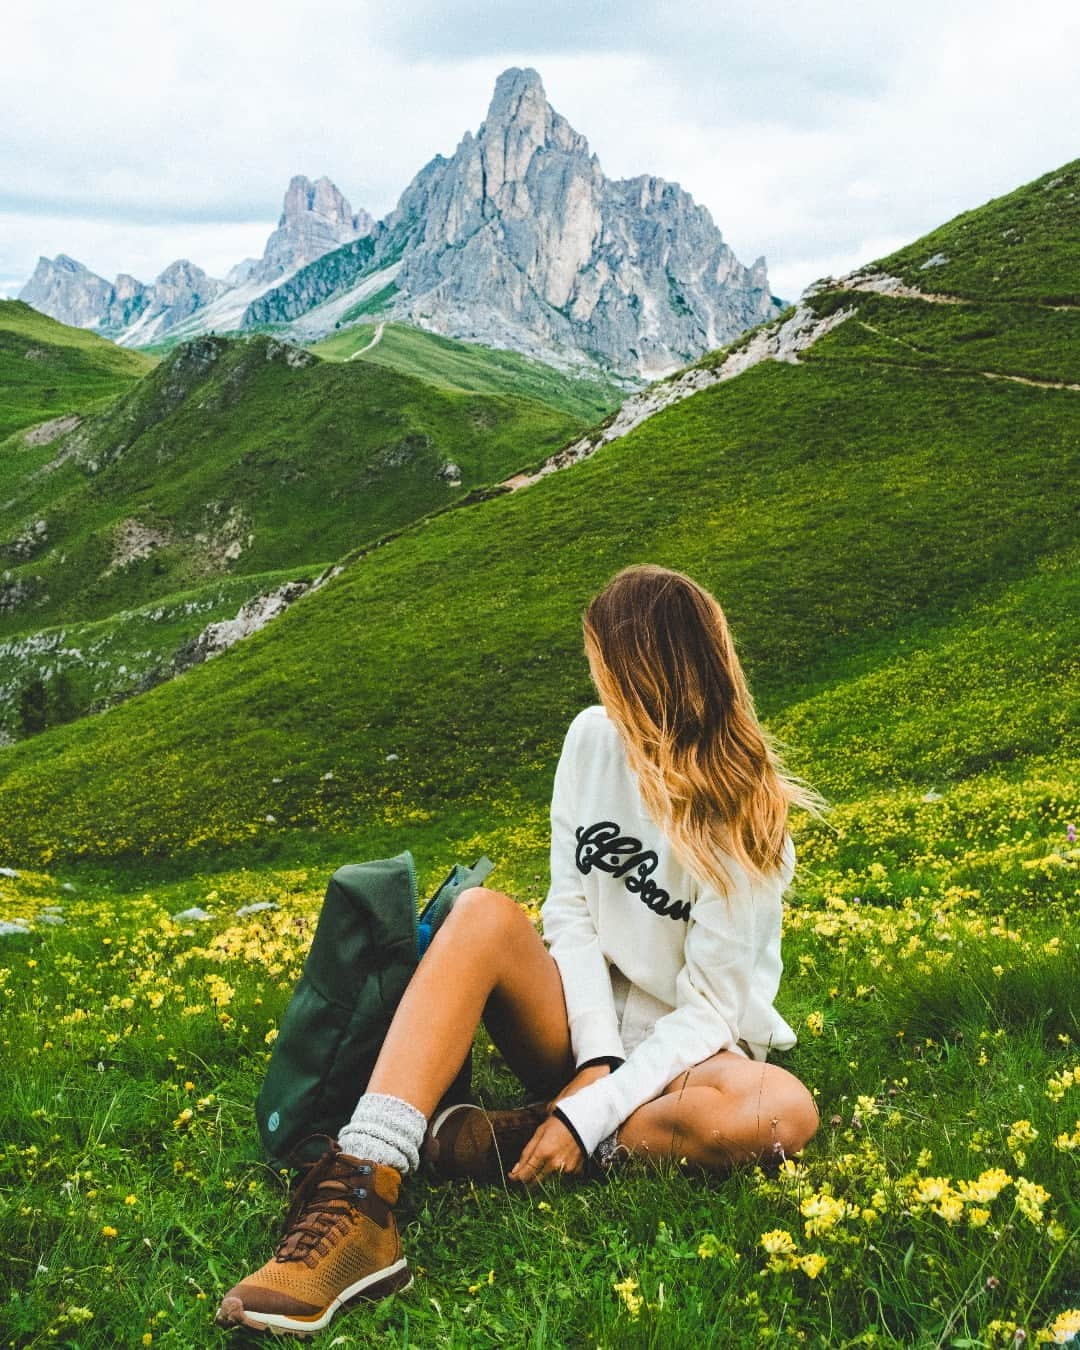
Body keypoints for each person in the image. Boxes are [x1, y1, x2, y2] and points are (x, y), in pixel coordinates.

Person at [216, 563, 826, 1337]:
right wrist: (595, 1063)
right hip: (579, 1026)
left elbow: (709, 1010)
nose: (599, 689)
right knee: (481, 915)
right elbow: (568, 912)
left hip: (687, 1058)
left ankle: (517, 1135)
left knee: (782, 1113)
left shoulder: (749, 818)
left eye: (606, 670)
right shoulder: (589, 740)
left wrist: (591, 1111)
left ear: (645, 675)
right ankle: (364, 1187)